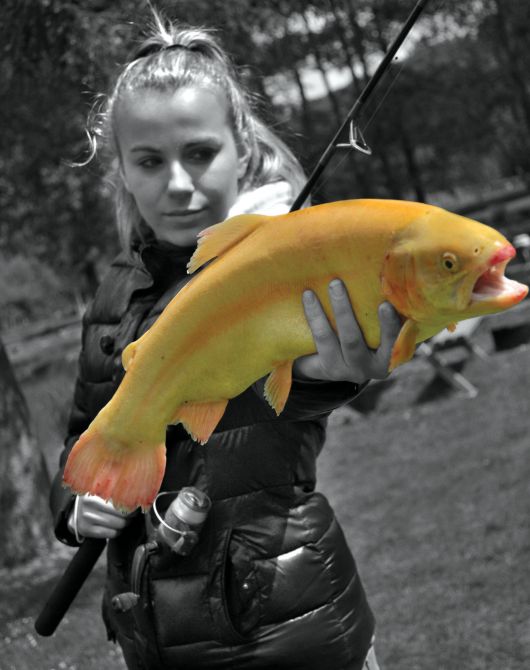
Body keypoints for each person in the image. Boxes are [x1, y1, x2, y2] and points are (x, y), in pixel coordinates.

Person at [49, 12, 401, 670]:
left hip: (293, 633)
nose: (179, 184)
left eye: (200, 153)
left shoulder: (286, 265)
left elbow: (296, 393)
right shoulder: (114, 295)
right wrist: (75, 504)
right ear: (121, 170)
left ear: (241, 149)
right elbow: (83, 433)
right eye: (150, 161)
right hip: (155, 641)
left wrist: (334, 372)